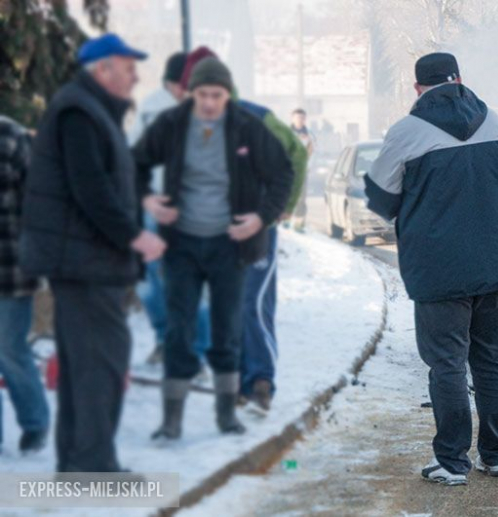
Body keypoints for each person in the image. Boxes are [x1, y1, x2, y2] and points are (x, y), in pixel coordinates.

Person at [365, 52, 498, 486]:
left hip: (439, 270)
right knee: (492, 361)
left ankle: (452, 462)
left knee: (448, 364)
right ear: (459, 79)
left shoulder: (407, 132)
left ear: (418, 88)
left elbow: (379, 198)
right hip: (494, 263)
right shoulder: (494, 123)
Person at [20, 33, 166, 472]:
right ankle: (93, 466)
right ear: (103, 69)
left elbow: (105, 180)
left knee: (87, 363)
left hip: (86, 260)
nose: (135, 76)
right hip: (85, 262)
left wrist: (142, 202)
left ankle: (79, 463)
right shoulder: (80, 112)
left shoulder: (89, 109)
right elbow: (91, 188)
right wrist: (134, 236)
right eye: (128, 67)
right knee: (100, 364)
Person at [133, 57, 295, 440]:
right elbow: (134, 163)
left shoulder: (246, 127)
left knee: (226, 330)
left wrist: (260, 218)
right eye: (202, 94)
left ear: (227, 95)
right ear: (191, 93)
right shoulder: (171, 124)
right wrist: (147, 199)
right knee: (179, 329)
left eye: (216, 95)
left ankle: (226, 415)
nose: (209, 102)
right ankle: (171, 420)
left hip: (230, 245)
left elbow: (282, 172)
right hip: (182, 244)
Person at [129, 51, 212, 366]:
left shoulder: (151, 106)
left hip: (159, 205)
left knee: (153, 280)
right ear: (176, 83)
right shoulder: (165, 109)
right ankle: (189, 348)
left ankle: (174, 344)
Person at [239, 100, 308, 413]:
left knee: (252, 302)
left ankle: (260, 382)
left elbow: (297, 153)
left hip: (258, 226)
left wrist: (285, 206)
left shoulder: (257, 117)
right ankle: (240, 382)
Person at [0, 115, 49, 454]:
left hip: (11, 268)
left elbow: (40, 201)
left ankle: (35, 423)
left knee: (9, 348)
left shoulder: (12, 136)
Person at [289, 108, 314, 232]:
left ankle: (299, 223)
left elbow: (312, 152)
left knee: (301, 197)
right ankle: (286, 221)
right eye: (298, 117)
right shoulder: (286, 133)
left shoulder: (310, 135)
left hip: (302, 170)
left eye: (303, 118)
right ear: (292, 118)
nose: (300, 120)